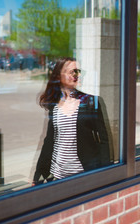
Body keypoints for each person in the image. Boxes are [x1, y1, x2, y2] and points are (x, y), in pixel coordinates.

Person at [32, 57, 113, 185]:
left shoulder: (91, 102)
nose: (77, 75)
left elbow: (104, 139)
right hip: (56, 175)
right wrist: (39, 174)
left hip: (82, 173)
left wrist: (106, 172)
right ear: (59, 76)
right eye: (72, 72)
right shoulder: (55, 105)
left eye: (78, 71)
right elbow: (49, 140)